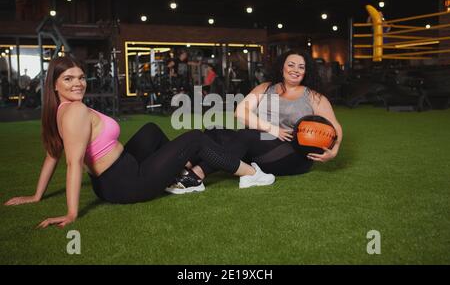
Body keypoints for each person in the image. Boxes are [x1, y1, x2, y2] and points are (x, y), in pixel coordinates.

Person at [3, 56, 275, 228]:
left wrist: (36, 195)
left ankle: (182, 175)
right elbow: (71, 163)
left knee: (149, 130)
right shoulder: (74, 112)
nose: (78, 83)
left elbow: (51, 155)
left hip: (114, 177)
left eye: (81, 77)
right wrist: (71, 213)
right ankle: (251, 174)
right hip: (127, 183)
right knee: (195, 137)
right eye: (68, 79)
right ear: (54, 84)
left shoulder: (61, 110)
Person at [166, 49, 343, 194]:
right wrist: (272, 129)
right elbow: (240, 112)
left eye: (301, 67)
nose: (295, 70)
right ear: (282, 67)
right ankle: (182, 166)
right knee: (215, 130)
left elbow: (335, 126)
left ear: (306, 72)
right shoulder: (265, 88)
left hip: (292, 155)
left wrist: (334, 151)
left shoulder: (313, 97)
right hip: (259, 145)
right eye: (291, 65)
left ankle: (196, 176)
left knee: (247, 135)